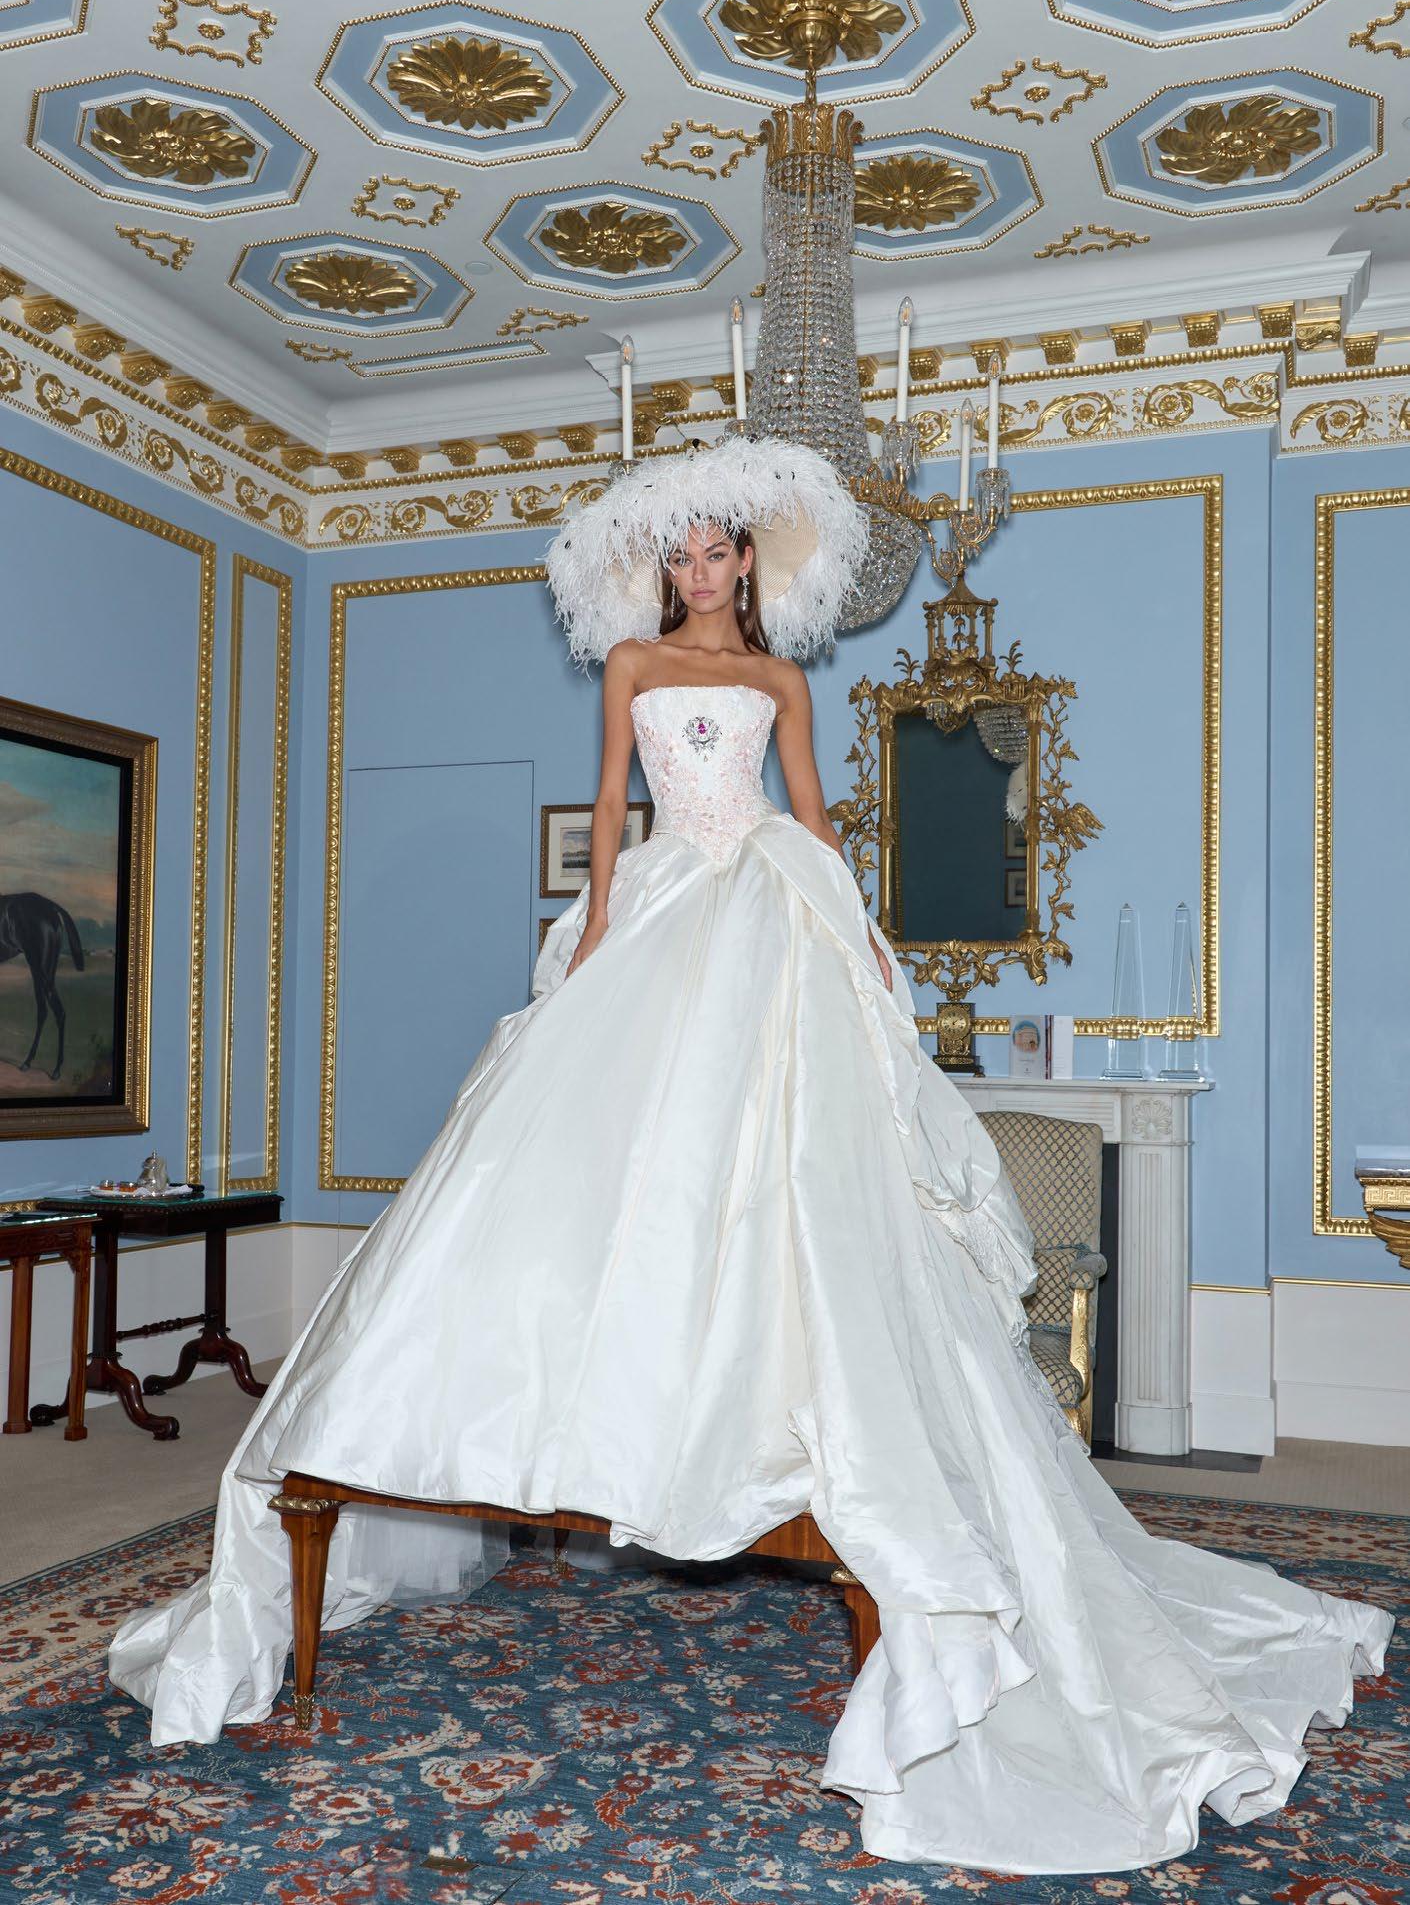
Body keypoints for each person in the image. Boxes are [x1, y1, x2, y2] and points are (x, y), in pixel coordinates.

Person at [109, 433, 1392, 1877]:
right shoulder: (632, 668)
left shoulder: (781, 680)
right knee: (584, 1166)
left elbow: (815, 817)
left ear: (747, 562)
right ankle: (583, 1423)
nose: (699, 569)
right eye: (682, 552)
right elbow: (613, 807)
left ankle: (768, 1425)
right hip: (660, 908)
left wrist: (863, 941)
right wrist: (595, 932)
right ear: (662, 565)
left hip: (770, 904)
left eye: (718, 550)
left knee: (783, 1175)